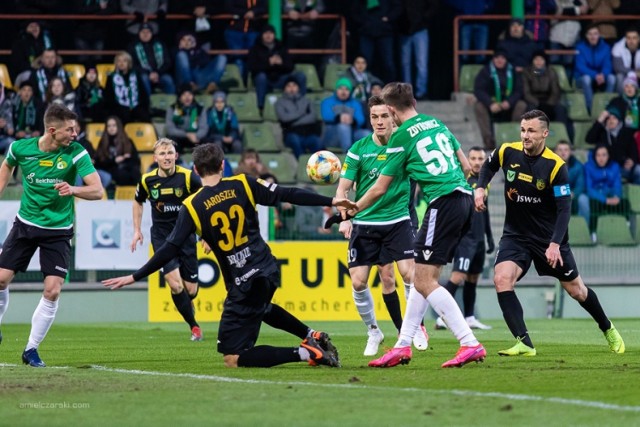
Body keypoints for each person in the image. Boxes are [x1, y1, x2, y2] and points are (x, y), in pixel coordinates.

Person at [103, 142, 357, 368]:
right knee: (262, 308)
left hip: (243, 282)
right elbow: (286, 194)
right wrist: (332, 201)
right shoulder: (243, 183)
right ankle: (311, 334)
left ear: (195, 169)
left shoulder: (192, 205)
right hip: (266, 267)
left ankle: (306, 352)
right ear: (223, 165)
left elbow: (168, 249)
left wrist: (135, 275)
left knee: (233, 357)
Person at [348, 82, 486, 369]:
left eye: (387, 113)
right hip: (463, 199)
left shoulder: (400, 138)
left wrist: (352, 209)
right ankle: (402, 345)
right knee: (423, 278)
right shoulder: (435, 123)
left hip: (443, 203)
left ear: (392, 109)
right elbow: (467, 167)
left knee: (423, 281)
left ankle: (469, 342)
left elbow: (378, 189)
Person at [475, 109, 625, 357]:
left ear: (545, 133)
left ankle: (607, 327)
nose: (525, 135)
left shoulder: (556, 166)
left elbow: (565, 209)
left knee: (577, 291)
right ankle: (524, 342)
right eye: (523, 130)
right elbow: (489, 166)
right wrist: (480, 188)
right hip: (516, 235)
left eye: (531, 130)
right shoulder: (506, 151)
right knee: (501, 279)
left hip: (548, 240)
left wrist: (555, 244)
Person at [0, 104, 104, 367]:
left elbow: (97, 191)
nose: (75, 133)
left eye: (75, 128)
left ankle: (31, 349)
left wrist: (73, 189)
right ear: (52, 130)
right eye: (70, 129)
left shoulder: (76, 152)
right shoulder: (20, 149)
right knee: (0, 280)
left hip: (58, 230)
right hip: (25, 225)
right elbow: (4, 172)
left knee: (53, 290)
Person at [334, 96, 428, 356]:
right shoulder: (359, 149)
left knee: (409, 274)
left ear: (393, 116)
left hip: (398, 220)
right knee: (359, 282)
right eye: (374, 117)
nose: (379, 122)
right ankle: (374, 331)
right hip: (365, 224)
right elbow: (343, 187)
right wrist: (345, 217)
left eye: (384, 116)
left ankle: (414, 327)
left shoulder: (406, 145)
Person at [130, 138, 204, 341]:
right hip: (162, 238)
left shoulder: (189, 178)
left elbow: (205, 202)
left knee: (191, 290)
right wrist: (137, 230)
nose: (166, 157)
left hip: (186, 237)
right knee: (174, 284)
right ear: (155, 158)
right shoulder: (147, 180)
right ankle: (194, 327)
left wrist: (205, 234)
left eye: (170, 153)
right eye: (162, 154)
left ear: (176, 156)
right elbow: (137, 202)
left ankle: (188, 306)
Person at [435, 146, 494, 331]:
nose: (477, 162)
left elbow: (486, 210)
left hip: (478, 239)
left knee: (472, 279)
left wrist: (489, 238)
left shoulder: (485, 182)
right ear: (467, 160)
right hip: (464, 239)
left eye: (480, 158)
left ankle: (469, 317)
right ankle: (441, 317)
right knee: (457, 277)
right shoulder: (461, 180)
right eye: (473, 158)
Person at [473, 50, 527, 149]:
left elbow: (519, 90)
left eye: (502, 58)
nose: (500, 60)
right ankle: (488, 141)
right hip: (492, 106)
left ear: (506, 60)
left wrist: (509, 102)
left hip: (509, 106)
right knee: (479, 106)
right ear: (493, 59)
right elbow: (479, 90)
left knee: (521, 105)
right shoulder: (486, 71)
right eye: (497, 58)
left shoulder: (513, 72)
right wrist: (490, 103)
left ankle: (514, 137)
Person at [247, 24, 307, 113]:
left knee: (300, 75)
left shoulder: (281, 47)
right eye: (266, 33)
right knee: (261, 77)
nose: (268, 36)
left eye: (270, 33)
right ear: (262, 35)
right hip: (264, 80)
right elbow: (252, 67)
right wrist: (268, 63)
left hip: (280, 79)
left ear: (274, 35)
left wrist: (281, 63)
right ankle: (261, 107)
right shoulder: (255, 49)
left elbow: (290, 66)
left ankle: (302, 103)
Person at [585, 105, 640, 184]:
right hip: (610, 168)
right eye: (609, 118)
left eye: (614, 118)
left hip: (626, 166)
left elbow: (633, 150)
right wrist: (600, 120)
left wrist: (632, 160)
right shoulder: (602, 133)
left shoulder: (626, 132)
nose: (611, 120)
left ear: (619, 120)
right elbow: (589, 139)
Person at [275, 76, 322, 158]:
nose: (291, 88)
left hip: (308, 133)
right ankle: (302, 165)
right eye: (288, 86)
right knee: (295, 140)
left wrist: (293, 121)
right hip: (291, 134)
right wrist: (302, 113)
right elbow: (284, 118)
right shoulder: (280, 103)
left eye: (294, 85)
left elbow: (312, 117)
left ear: (298, 87)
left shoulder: (307, 101)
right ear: (284, 88)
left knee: (317, 141)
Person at [574, 24, 616, 113]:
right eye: (590, 34)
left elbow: (607, 65)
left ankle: (607, 107)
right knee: (586, 79)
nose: (593, 37)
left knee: (612, 78)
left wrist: (603, 74)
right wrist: (595, 75)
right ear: (586, 36)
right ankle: (591, 108)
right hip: (583, 78)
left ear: (599, 35)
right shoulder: (580, 47)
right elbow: (580, 66)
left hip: (601, 77)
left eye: (595, 34)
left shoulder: (606, 47)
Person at [321, 77, 368, 152]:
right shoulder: (327, 102)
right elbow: (326, 116)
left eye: (346, 89)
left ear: (350, 92)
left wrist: (353, 120)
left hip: (352, 134)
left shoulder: (355, 103)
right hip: (332, 137)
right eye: (340, 88)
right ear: (336, 90)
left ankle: (369, 159)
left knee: (367, 134)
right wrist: (339, 118)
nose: (343, 92)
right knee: (343, 127)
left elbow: (361, 119)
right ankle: (348, 157)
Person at [128, 22, 175, 96]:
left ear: (152, 33)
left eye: (148, 32)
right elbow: (132, 65)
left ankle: (172, 104)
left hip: (159, 73)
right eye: (143, 32)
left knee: (168, 79)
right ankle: (147, 104)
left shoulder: (160, 44)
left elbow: (167, 62)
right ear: (139, 33)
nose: (145, 34)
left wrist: (157, 73)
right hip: (143, 74)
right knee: (143, 78)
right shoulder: (133, 46)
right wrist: (147, 73)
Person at [103, 51, 151, 124]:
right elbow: (108, 97)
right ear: (116, 63)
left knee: (145, 116)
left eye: (124, 61)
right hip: (118, 107)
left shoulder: (136, 75)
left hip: (136, 106)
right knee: (123, 114)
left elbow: (143, 94)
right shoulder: (111, 77)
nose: (122, 63)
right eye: (119, 61)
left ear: (129, 63)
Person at [94, 115, 141, 187]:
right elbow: (99, 163)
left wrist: (125, 159)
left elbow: (136, 161)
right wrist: (114, 161)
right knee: (121, 174)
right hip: (110, 170)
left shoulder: (128, 141)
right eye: (109, 126)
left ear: (118, 127)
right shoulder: (103, 142)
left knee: (135, 172)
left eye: (114, 125)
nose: (111, 128)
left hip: (126, 168)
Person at [165, 85, 208, 151]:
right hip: (179, 137)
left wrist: (196, 136)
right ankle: (177, 160)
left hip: (195, 137)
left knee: (206, 142)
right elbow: (170, 129)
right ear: (179, 97)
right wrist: (186, 135)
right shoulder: (172, 109)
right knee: (172, 141)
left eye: (190, 94)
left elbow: (204, 128)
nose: (187, 97)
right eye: (184, 95)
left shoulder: (200, 109)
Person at [554, 140, 587, 223]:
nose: (563, 153)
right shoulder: (549, 165)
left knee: (583, 199)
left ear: (570, 152)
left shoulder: (578, 166)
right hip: (555, 196)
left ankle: (584, 229)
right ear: (555, 152)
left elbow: (580, 186)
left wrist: (572, 193)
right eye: (560, 150)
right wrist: (564, 193)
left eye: (566, 150)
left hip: (573, 197)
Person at [611, 27, 640, 93]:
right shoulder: (618, 47)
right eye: (628, 38)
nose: (631, 41)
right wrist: (634, 72)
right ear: (625, 39)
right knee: (619, 76)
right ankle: (621, 100)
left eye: (634, 38)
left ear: (638, 39)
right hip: (625, 73)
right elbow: (617, 67)